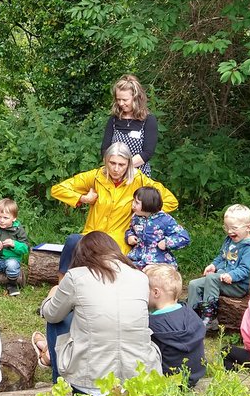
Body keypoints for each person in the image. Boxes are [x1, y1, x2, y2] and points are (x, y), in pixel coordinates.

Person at [38, 231, 161, 393]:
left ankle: (59, 385)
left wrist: (51, 295)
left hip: (90, 383)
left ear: (81, 254)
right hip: (139, 380)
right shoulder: (141, 277)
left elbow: (51, 314)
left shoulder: (76, 276)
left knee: (58, 318)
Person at [51, 142, 178, 273]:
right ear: (106, 161)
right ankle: (62, 282)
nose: (116, 169)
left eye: (121, 165)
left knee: (107, 263)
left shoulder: (139, 180)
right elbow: (58, 189)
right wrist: (84, 198)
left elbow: (170, 201)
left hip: (119, 240)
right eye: (112, 163)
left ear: (129, 164)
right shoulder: (96, 176)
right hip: (92, 235)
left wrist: (144, 212)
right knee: (72, 241)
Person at [185, 204, 250, 329]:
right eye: (226, 227)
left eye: (234, 228)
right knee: (193, 284)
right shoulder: (230, 241)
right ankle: (191, 317)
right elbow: (222, 257)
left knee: (211, 279)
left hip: (239, 285)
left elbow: (246, 270)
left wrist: (231, 275)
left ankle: (209, 319)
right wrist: (214, 265)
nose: (229, 231)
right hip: (223, 278)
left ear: (248, 227)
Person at [145, 264, 205, 387]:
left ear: (155, 292)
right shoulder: (189, 312)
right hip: (195, 375)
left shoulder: (152, 323)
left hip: (168, 381)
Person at [100, 74, 159, 175]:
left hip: (138, 174)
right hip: (114, 174)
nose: (121, 103)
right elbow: (105, 149)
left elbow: (147, 152)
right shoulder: (113, 119)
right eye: (118, 99)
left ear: (136, 98)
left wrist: (124, 167)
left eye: (125, 100)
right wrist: (115, 168)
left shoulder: (149, 120)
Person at [125, 186, 190, 268]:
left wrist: (166, 243)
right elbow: (131, 229)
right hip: (137, 258)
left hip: (159, 261)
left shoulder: (165, 220)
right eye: (133, 201)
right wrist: (129, 236)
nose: (133, 205)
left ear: (147, 204)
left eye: (137, 203)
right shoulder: (136, 218)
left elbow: (183, 237)